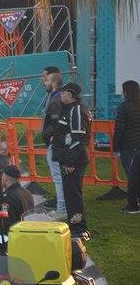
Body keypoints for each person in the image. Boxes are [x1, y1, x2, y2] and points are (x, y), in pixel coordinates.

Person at [48, 83, 91, 239]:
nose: (60, 94)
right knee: (70, 194)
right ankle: (75, 226)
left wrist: (69, 162)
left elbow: (79, 139)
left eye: (63, 92)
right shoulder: (69, 109)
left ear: (70, 95)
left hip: (74, 161)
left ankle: (79, 230)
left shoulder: (77, 110)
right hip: (68, 159)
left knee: (73, 195)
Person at [40, 68, 67, 217]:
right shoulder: (56, 97)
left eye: (47, 80)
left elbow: (56, 122)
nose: (44, 83)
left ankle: (62, 209)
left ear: (54, 83)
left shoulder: (56, 99)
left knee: (59, 178)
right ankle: (64, 206)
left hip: (56, 143)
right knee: (62, 177)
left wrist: (48, 135)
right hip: (59, 141)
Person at [112, 79, 140, 214]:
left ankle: (133, 205)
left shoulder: (124, 107)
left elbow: (119, 129)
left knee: (132, 177)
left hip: (128, 146)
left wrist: (115, 148)